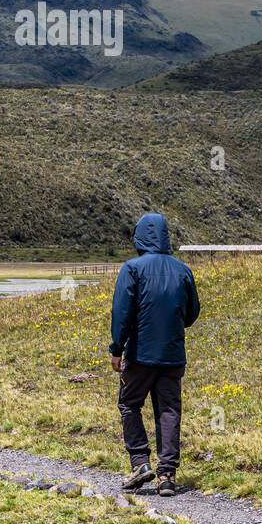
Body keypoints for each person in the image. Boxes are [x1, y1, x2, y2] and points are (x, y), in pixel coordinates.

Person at [109, 212, 201, 497]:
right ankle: (167, 475)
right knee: (169, 410)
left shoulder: (132, 269)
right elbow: (192, 312)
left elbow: (122, 313)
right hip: (173, 355)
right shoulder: (183, 270)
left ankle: (139, 463)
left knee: (129, 404)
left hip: (140, 355)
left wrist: (116, 348)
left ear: (139, 237)